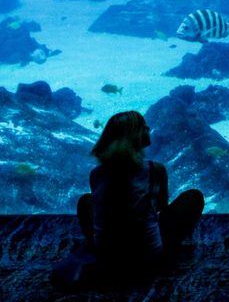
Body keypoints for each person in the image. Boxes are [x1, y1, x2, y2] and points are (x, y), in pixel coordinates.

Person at [76, 110, 204, 281]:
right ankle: (168, 254)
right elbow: (161, 209)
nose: (148, 128)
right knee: (193, 197)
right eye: (144, 126)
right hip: (148, 256)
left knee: (85, 201)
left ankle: (98, 248)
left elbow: (103, 210)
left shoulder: (96, 173)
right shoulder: (155, 169)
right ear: (134, 136)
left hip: (108, 257)